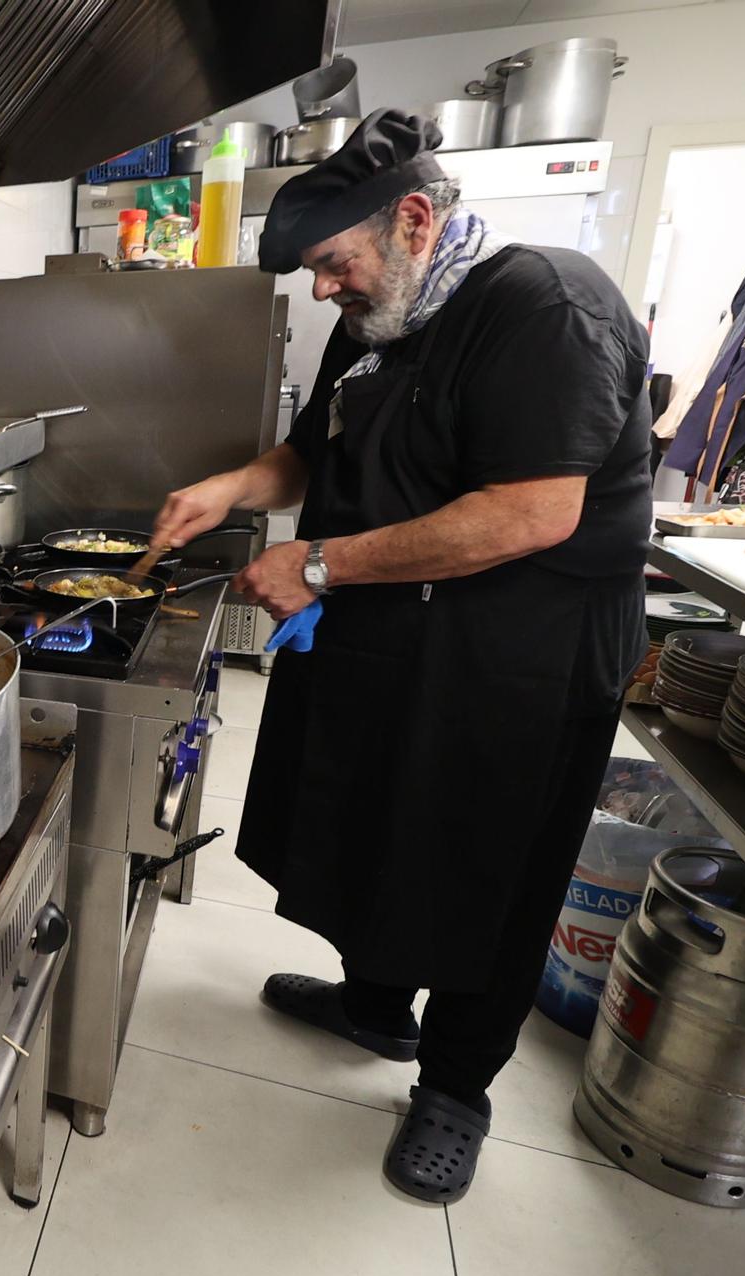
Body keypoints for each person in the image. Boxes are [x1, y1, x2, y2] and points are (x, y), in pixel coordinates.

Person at [151, 110, 652, 1203]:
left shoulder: (544, 308)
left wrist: (317, 568)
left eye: (331, 264)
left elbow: (528, 512)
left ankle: (454, 1089)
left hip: (523, 652)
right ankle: (374, 1004)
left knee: (487, 863)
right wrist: (232, 488)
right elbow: (314, 444)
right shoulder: (383, 310)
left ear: (413, 221)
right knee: (378, 812)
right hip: (401, 626)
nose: (322, 289)